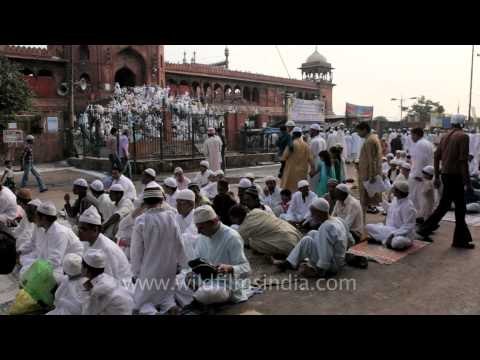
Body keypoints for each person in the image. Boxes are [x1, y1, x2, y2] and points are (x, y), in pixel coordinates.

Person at [417, 114, 474, 248]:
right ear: (462, 124)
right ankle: (459, 240)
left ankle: (425, 229)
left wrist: (437, 176)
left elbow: (436, 157)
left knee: (445, 205)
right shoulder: (463, 136)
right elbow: (463, 162)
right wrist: (468, 183)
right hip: (456, 176)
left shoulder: (444, 136)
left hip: (446, 175)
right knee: (459, 209)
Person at [130, 186, 186, 314]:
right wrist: (182, 264)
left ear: (145, 203)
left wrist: (136, 273)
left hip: (149, 270)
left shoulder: (141, 220)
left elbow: (136, 251)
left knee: (141, 302)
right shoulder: (171, 217)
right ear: (162, 200)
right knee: (166, 296)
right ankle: (171, 307)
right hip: (168, 268)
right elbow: (179, 243)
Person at [276, 198, 354, 278]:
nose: (312, 216)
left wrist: (321, 269)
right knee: (312, 233)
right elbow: (351, 241)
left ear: (320, 213)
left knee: (306, 241)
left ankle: (289, 263)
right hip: (339, 260)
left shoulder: (326, 227)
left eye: (313, 213)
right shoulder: (339, 220)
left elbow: (326, 251)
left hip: (332, 266)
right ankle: (293, 260)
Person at [189, 205, 251, 305]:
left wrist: (229, 268)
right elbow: (197, 261)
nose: (198, 231)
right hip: (205, 281)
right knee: (179, 282)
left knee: (208, 293)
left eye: (201, 228)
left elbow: (246, 269)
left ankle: (198, 299)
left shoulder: (231, 237)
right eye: (197, 228)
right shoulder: (202, 237)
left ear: (213, 222)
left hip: (226, 284)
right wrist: (192, 273)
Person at [19, 201, 84, 283]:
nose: (35, 219)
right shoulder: (41, 227)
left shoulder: (60, 233)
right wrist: (20, 251)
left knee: (49, 279)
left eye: (37, 216)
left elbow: (55, 260)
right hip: (50, 261)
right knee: (25, 267)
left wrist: (37, 273)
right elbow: (33, 243)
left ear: (44, 218)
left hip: (69, 265)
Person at [79, 206, 132, 284]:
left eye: (83, 229)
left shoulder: (106, 248)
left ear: (95, 230)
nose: (79, 232)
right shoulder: (87, 242)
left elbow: (110, 279)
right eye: (79, 228)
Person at [230, 204, 301, 259]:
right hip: (296, 235)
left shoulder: (243, 228)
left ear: (237, 217)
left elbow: (240, 243)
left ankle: (279, 254)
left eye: (233, 219)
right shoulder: (256, 211)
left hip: (289, 245)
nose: (233, 221)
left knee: (253, 242)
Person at [366, 180, 416, 250]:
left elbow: (408, 226)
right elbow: (390, 209)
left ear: (399, 192)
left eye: (395, 190)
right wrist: (381, 201)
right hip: (390, 230)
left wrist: (393, 234)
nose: (393, 191)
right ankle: (385, 240)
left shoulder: (409, 207)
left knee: (397, 242)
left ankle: (383, 240)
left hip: (403, 235)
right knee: (368, 227)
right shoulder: (396, 199)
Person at [81, 249, 134, 315]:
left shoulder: (98, 291)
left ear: (86, 270)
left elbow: (88, 312)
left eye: (81, 266)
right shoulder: (107, 278)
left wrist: (86, 292)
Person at [356, 122, 383, 218]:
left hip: (367, 174)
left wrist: (372, 175)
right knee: (366, 201)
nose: (358, 134)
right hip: (367, 172)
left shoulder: (369, 141)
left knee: (364, 201)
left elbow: (372, 160)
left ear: (364, 130)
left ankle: (362, 223)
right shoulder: (373, 138)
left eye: (358, 131)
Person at [280, 127, 315, 193]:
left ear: (293, 134)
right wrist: (313, 169)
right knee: (301, 188)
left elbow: (284, 158)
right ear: (300, 134)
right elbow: (311, 159)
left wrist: (281, 170)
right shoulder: (306, 145)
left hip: (291, 171)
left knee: (290, 190)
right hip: (302, 172)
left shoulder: (291, 144)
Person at [408, 127, 434, 213]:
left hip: (420, 176)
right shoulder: (428, 143)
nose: (411, 137)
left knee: (417, 198)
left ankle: (418, 217)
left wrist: (418, 175)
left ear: (416, 135)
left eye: (412, 135)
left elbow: (420, 160)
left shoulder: (420, 144)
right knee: (425, 198)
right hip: (428, 174)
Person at [175, 189, 199, 261]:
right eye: (177, 203)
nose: (178, 206)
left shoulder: (197, 217)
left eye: (181, 204)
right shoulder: (177, 216)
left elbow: (189, 238)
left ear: (191, 205)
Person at [309, 124, 327, 188]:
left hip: (315, 164)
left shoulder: (314, 141)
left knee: (314, 183)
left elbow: (311, 155)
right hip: (322, 163)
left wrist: (312, 168)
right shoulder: (323, 140)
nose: (309, 132)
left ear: (315, 131)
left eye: (311, 131)